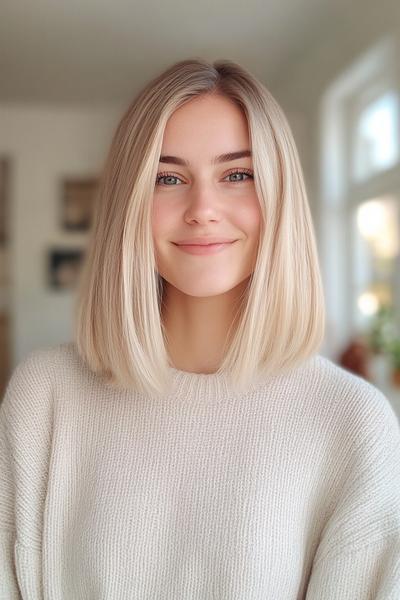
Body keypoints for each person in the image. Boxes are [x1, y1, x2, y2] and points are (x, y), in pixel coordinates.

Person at [0, 58, 399, 599]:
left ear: (279, 199)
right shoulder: (43, 397)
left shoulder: (353, 424)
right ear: (129, 204)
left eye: (237, 174)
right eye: (168, 178)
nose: (202, 208)